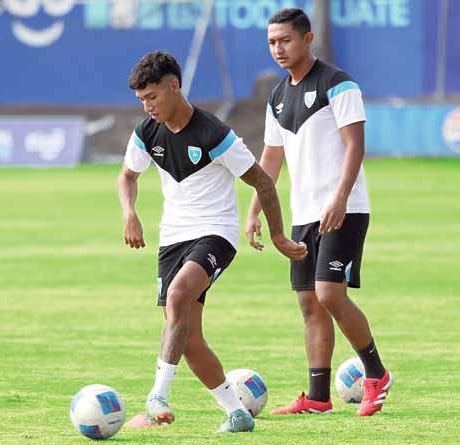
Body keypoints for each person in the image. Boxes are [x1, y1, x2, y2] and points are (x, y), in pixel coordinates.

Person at [118, 51, 307, 432]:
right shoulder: (147, 132)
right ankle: (237, 413)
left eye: (152, 96)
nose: (147, 106)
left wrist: (277, 234)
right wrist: (129, 213)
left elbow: (262, 181)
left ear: (174, 86)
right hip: (172, 239)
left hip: (215, 234)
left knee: (177, 297)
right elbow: (127, 176)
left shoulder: (214, 134)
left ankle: (157, 397)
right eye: (141, 100)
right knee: (188, 338)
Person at [246, 8, 392, 417]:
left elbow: (355, 145)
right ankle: (317, 397)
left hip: (344, 209)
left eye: (285, 40)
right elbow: (270, 158)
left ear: (308, 39)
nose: (278, 48)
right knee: (310, 303)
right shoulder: (277, 96)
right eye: (272, 42)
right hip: (304, 214)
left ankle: (376, 375)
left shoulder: (338, 84)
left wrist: (341, 198)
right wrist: (255, 209)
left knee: (330, 294)